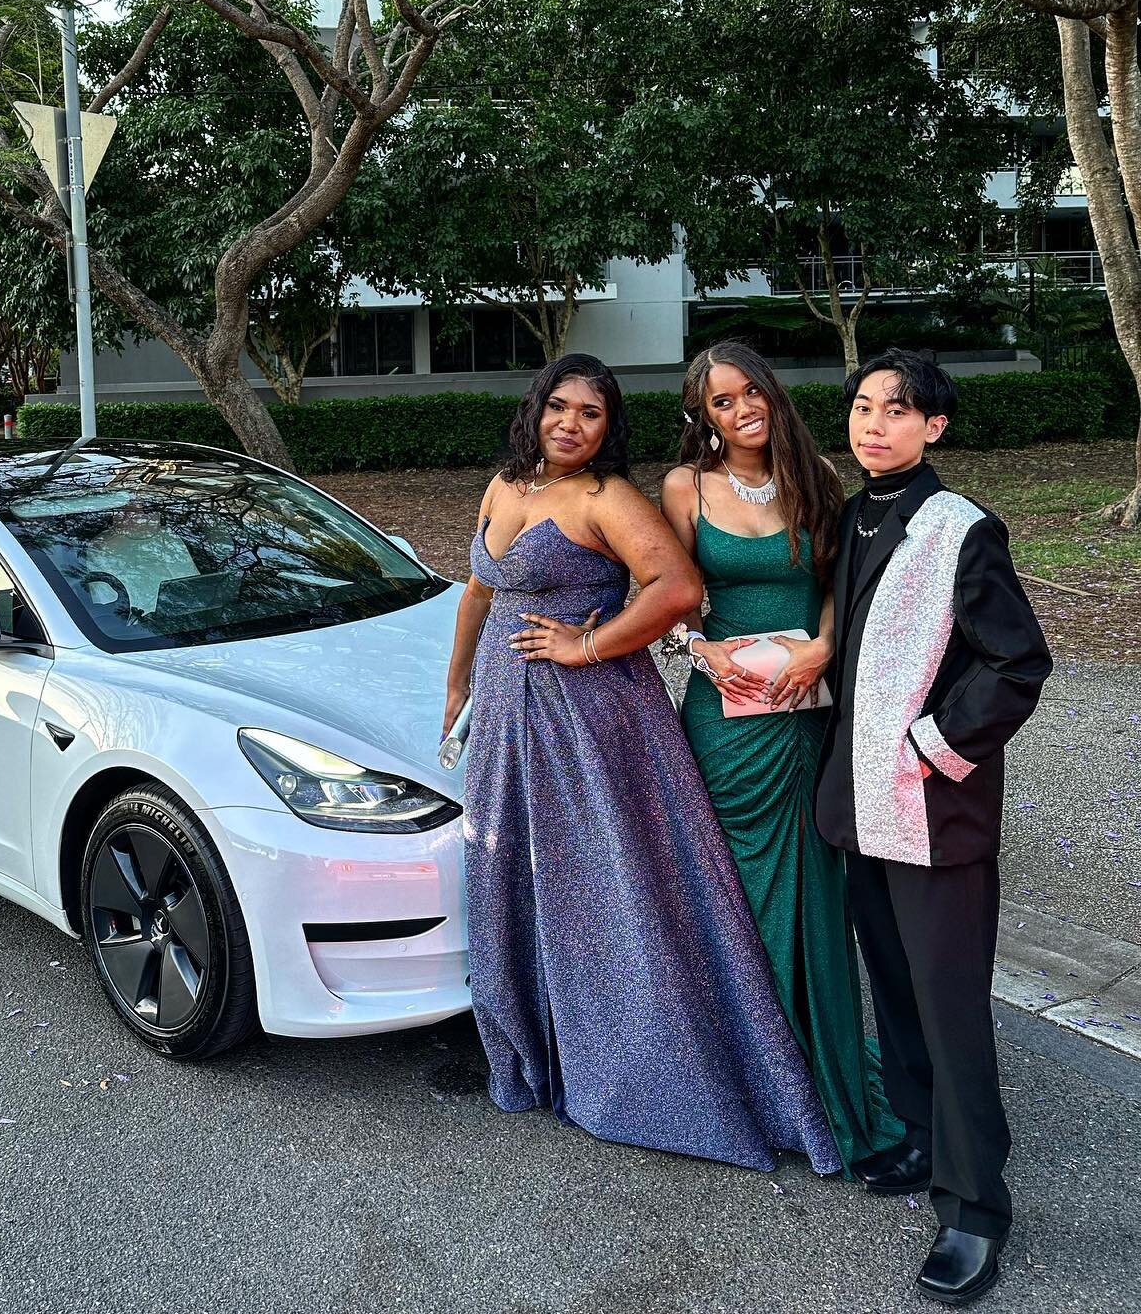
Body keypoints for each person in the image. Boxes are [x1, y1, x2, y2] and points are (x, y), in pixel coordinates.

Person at [443, 353, 840, 1174]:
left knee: (598, 884)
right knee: (512, 872)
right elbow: (477, 594)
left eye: (590, 414)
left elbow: (677, 589)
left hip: (581, 717)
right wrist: (455, 691)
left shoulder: (608, 499)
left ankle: (636, 1064)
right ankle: (537, 1045)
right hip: (505, 709)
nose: (570, 425)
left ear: (607, 427)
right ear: (536, 408)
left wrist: (585, 645)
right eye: (559, 407)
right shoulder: (503, 486)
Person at [816, 349, 1052, 1306]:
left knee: (950, 1007)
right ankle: (920, 1136)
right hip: (856, 802)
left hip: (927, 804)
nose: (875, 425)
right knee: (897, 991)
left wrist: (929, 743)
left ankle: (975, 1210)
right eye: (864, 408)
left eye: (898, 411)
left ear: (934, 428)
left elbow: (1017, 663)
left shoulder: (963, 528)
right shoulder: (854, 511)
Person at [659, 343, 902, 1174]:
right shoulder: (685, 488)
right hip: (724, 726)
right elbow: (668, 596)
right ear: (706, 416)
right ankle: (757, 1078)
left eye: (749, 391)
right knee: (741, 896)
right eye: (721, 402)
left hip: (802, 714)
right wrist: (704, 652)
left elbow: (839, 582)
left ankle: (822, 1073)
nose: (740, 410)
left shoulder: (820, 477)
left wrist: (826, 647)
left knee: (811, 894)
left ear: (771, 390)